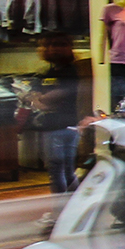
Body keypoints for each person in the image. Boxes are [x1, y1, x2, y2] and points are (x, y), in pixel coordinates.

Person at [27, 31, 89, 192]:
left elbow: (50, 98)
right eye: (48, 45)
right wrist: (40, 100)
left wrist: (42, 100)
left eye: (59, 45)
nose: (52, 49)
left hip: (64, 126)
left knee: (58, 171)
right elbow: (34, 98)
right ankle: (71, 209)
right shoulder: (47, 72)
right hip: (52, 125)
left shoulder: (70, 72)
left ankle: (61, 212)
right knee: (65, 171)